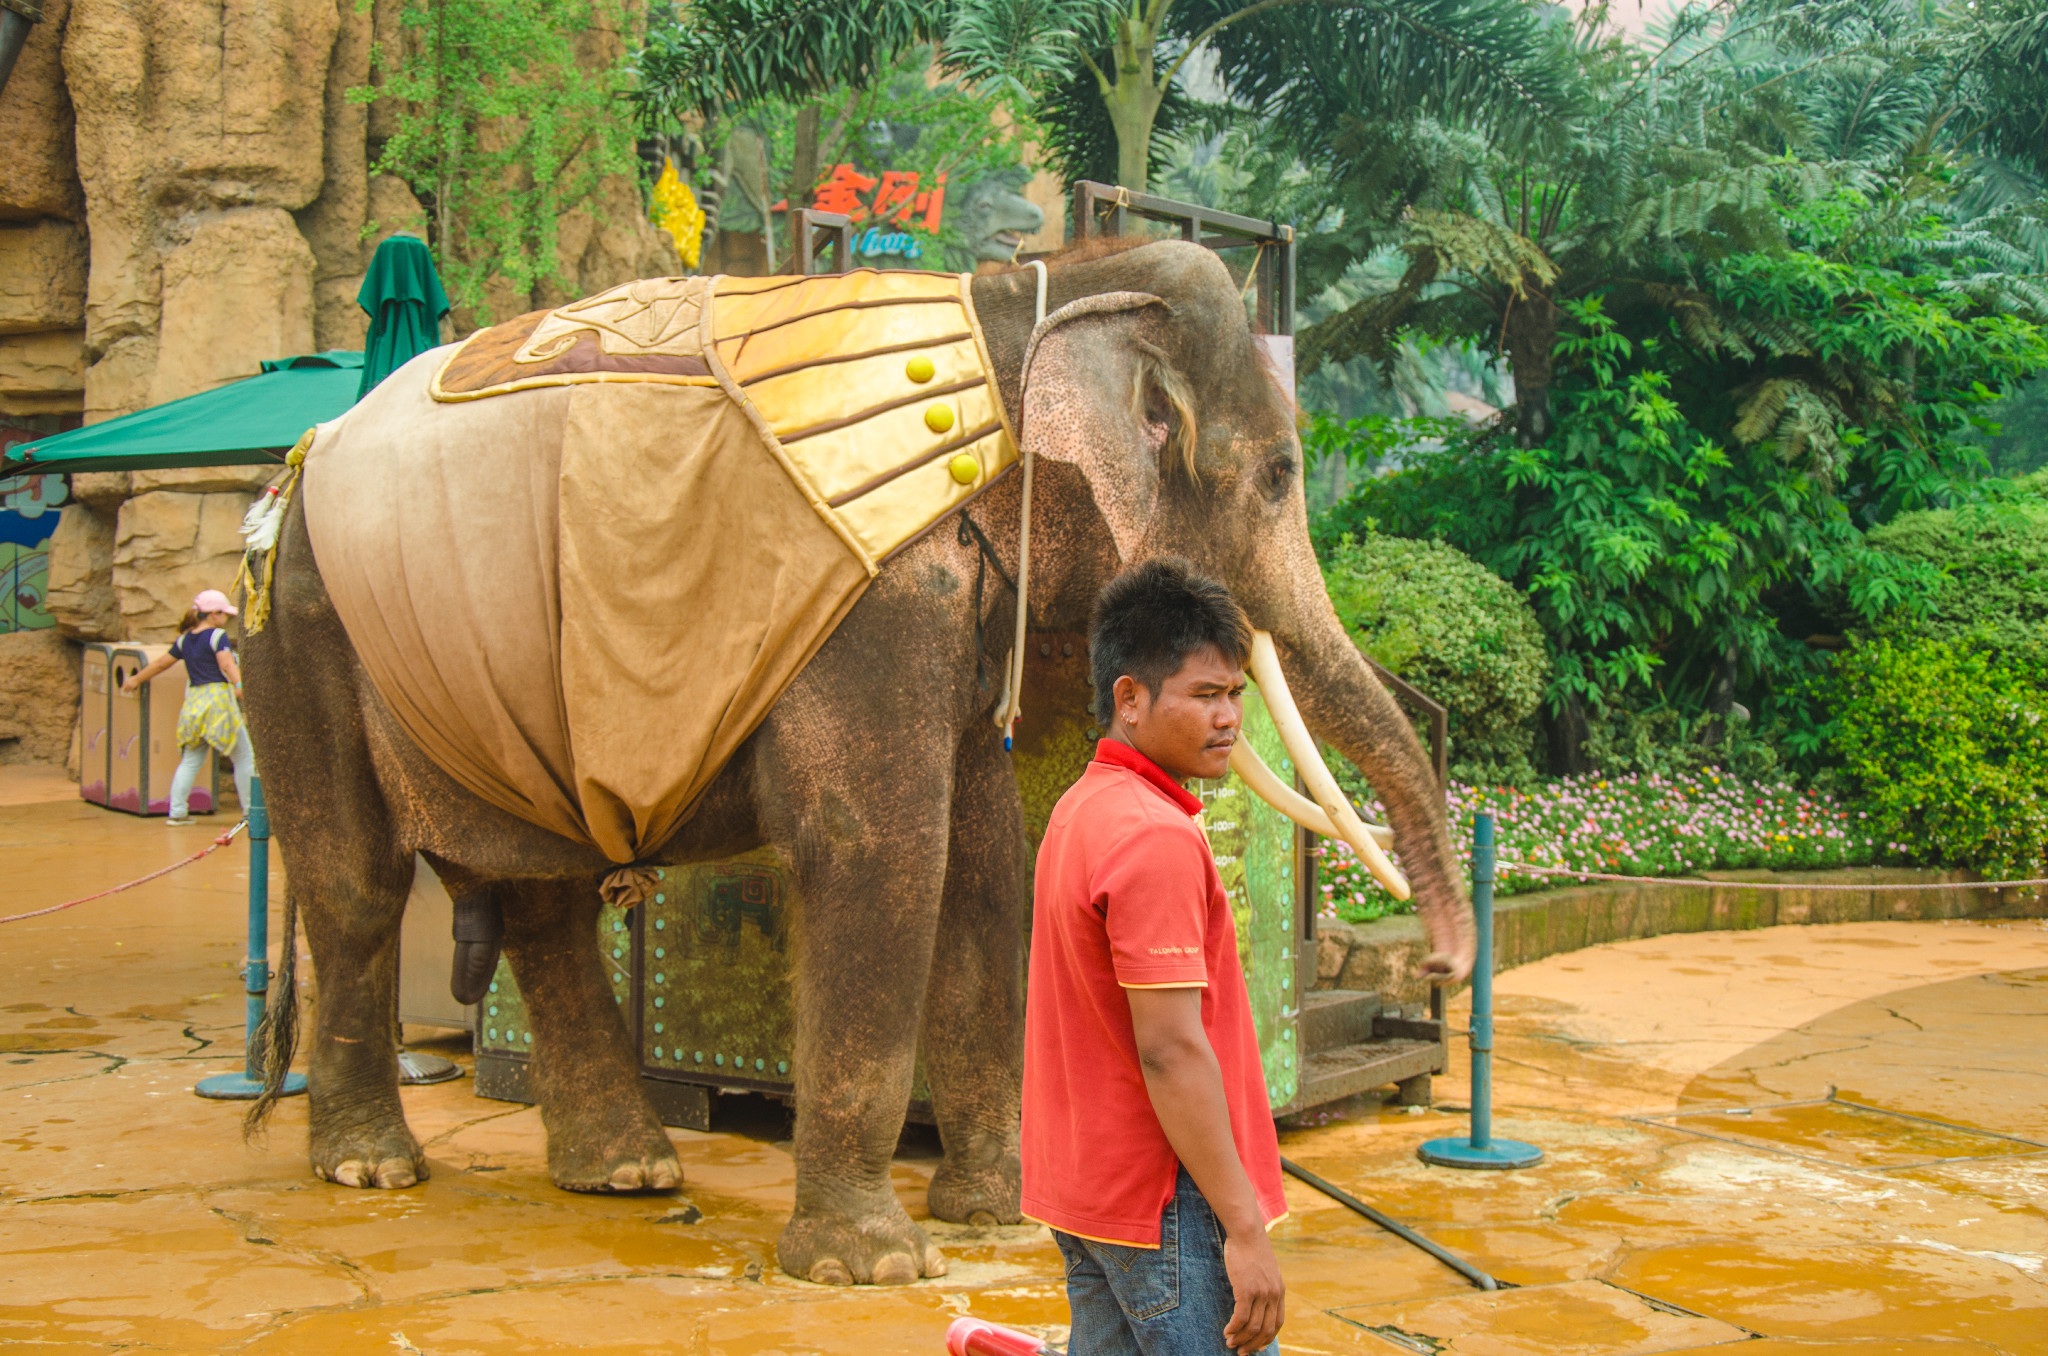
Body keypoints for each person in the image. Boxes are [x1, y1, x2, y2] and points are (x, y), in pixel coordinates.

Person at [1024, 558, 1288, 1356]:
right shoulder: (1155, 836)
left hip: (1089, 1194)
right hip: (1166, 1202)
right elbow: (1170, 1049)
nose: (1229, 719)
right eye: (1204, 695)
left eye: (1235, 694)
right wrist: (1243, 1230)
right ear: (1130, 699)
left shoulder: (1083, 808)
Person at [120, 588, 255, 826]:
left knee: (191, 759)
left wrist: (136, 679)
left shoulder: (185, 640)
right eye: (224, 614)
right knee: (243, 755)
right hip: (217, 701)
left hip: (193, 702)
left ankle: (177, 811)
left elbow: (162, 663)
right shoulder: (217, 636)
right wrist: (240, 684)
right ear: (213, 614)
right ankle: (251, 812)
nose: (226, 619)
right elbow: (226, 663)